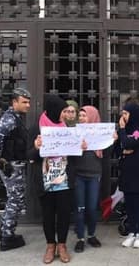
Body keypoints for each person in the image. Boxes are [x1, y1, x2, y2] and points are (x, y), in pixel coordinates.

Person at [28, 94, 84, 263]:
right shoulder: (36, 129)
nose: (64, 115)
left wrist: (79, 147)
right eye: (61, 111)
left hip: (64, 180)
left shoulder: (66, 128)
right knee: (48, 214)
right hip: (45, 181)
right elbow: (29, 156)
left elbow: (74, 155)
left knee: (64, 214)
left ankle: (62, 245)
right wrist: (36, 148)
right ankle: (50, 246)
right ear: (53, 111)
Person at [0, 87, 31, 251]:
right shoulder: (10, 119)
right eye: (24, 102)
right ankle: (7, 237)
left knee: (13, 198)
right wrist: (1, 158)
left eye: (28, 102)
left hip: (14, 164)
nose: (28, 105)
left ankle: (3, 230)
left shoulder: (16, 117)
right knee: (16, 200)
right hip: (11, 165)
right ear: (14, 102)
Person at [116, 102, 139, 249]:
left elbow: (127, 143)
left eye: (126, 114)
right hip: (127, 172)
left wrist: (123, 135)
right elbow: (117, 148)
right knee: (129, 203)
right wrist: (124, 146)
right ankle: (132, 231)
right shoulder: (125, 130)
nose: (123, 117)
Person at [73, 105, 104, 253]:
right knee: (80, 209)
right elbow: (69, 153)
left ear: (92, 117)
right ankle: (80, 238)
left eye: (84, 116)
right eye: (80, 116)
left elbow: (108, 152)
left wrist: (113, 139)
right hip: (79, 175)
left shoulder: (100, 134)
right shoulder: (75, 133)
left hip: (94, 175)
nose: (81, 118)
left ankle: (91, 235)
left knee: (91, 208)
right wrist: (78, 147)